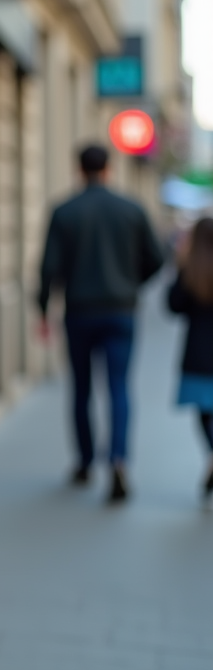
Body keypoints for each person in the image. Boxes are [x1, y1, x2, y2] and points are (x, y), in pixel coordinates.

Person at [38, 144, 164, 503]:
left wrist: (44, 310)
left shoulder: (64, 211)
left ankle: (84, 461)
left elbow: (48, 267)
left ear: (79, 170)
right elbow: (156, 259)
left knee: (81, 389)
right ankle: (120, 459)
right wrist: (129, 284)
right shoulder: (131, 209)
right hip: (121, 311)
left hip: (79, 311)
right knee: (119, 387)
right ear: (109, 169)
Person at [166, 217, 213, 506]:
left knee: (205, 413)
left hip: (199, 355)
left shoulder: (192, 270)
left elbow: (172, 306)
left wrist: (180, 264)